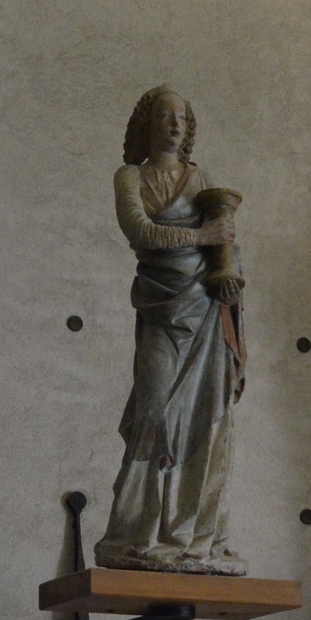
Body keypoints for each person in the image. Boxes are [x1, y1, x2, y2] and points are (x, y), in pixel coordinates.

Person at [94, 85, 248, 575]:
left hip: (205, 310)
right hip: (161, 307)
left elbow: (226, 240)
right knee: (153, 410)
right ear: (147, 124)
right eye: (164, 115)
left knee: (205, 417)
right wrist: (203, 235)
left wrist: (229, 274)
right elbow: (139, 231)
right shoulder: (130, 176)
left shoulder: (202, 178)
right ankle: (135, 532)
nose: (175, 124)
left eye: (182, 116)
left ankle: (195, 535)